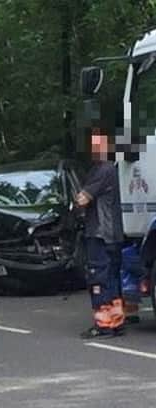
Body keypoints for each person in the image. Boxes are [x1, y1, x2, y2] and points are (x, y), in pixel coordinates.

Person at [76, 129, 125, 339]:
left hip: (99, 233)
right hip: (113, 233)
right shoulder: (112, 169)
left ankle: (103, 325)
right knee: (113, 279)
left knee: (99, 278)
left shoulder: (100, 170)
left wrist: (75, 201)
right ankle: (116, 322)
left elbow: (83, 199)